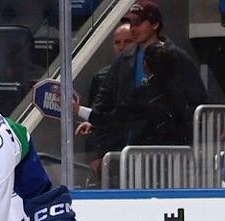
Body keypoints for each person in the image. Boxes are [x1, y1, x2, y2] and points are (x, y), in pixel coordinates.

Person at [88, 1, 207, 164]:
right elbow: (105, 96)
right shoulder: (124, 59)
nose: (133, 29)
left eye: (138, 23)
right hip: (128, 145)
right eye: (131, 24)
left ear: (155, 24)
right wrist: (93, 123)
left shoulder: (177, 57)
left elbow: (196, 99)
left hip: (168, 146)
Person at [75, 44, 194, 148]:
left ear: (145, 66)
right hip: (180, 158)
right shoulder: (181, 92)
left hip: (149, 160)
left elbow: (112, 120)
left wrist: (78, 110)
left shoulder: (142, 95)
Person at [83, 22, 135, 179]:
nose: (121, 47)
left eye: (127, 41)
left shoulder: (144, 73)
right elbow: (94, 117)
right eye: (117, 42)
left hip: (138, 146)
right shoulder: (101, 77)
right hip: (110, 152)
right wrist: (94, 155)